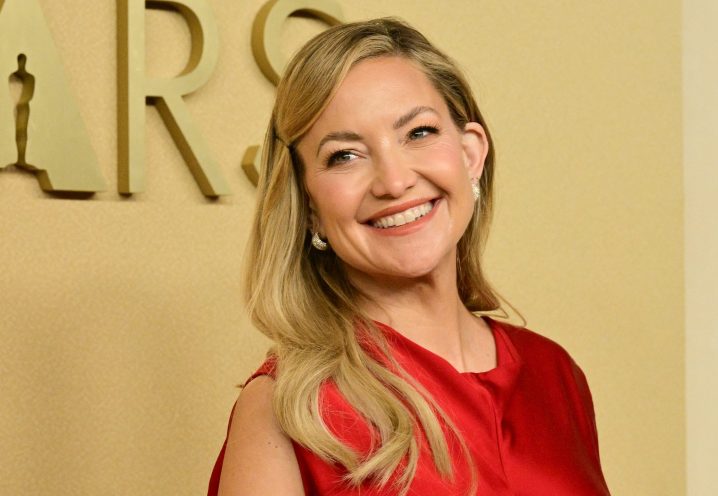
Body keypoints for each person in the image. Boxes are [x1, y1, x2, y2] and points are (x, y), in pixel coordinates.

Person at [209, 18, 610, 496]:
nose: (395, 181)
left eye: (418, 132)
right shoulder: (286, 407)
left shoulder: (555, 374)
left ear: (470, 154)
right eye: (345, 156)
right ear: (309, 205)